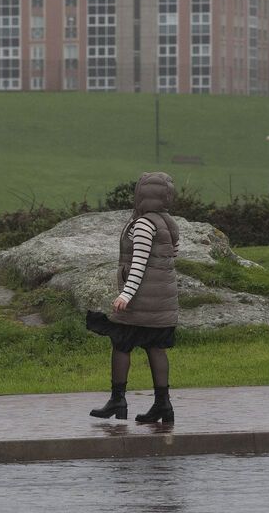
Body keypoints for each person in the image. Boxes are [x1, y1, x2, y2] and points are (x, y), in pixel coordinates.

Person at [86, 172, 180, 424]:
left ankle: (118, 400)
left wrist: (126, 293)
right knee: (155, 347)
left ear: (141, 195)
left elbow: (139, 262)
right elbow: (172, 257)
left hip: (140, 301)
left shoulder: (143, 225)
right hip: (162, 301)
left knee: (121, 344)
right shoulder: (167, 222)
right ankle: (163, 405)